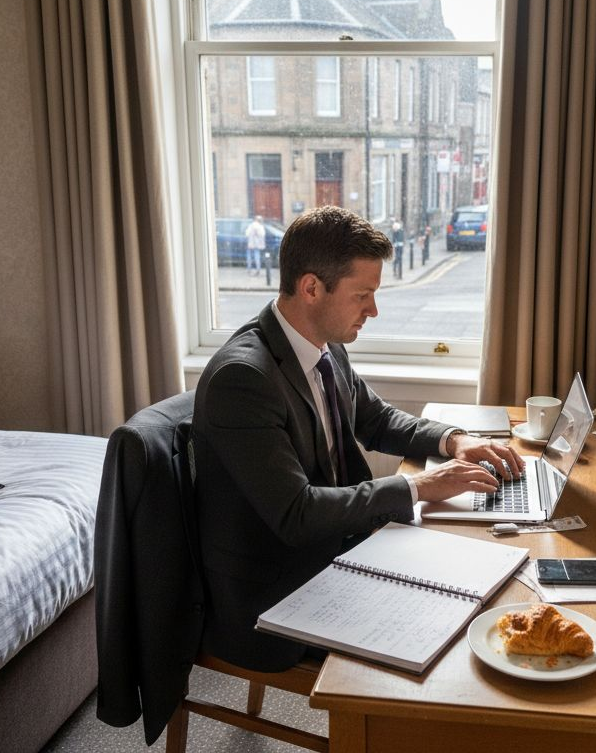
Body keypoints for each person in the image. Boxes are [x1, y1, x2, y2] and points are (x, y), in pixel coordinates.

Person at [192, 205, 524, 672]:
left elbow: (376, 419)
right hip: (275, 587)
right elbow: (296, 514)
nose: (374, 310)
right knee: (449, 633)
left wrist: (454, 441)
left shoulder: (324, 344)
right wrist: (419, 487)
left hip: (330, 546)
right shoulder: (244, 379)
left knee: (479, 581)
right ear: (311, 288)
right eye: (363, 294)